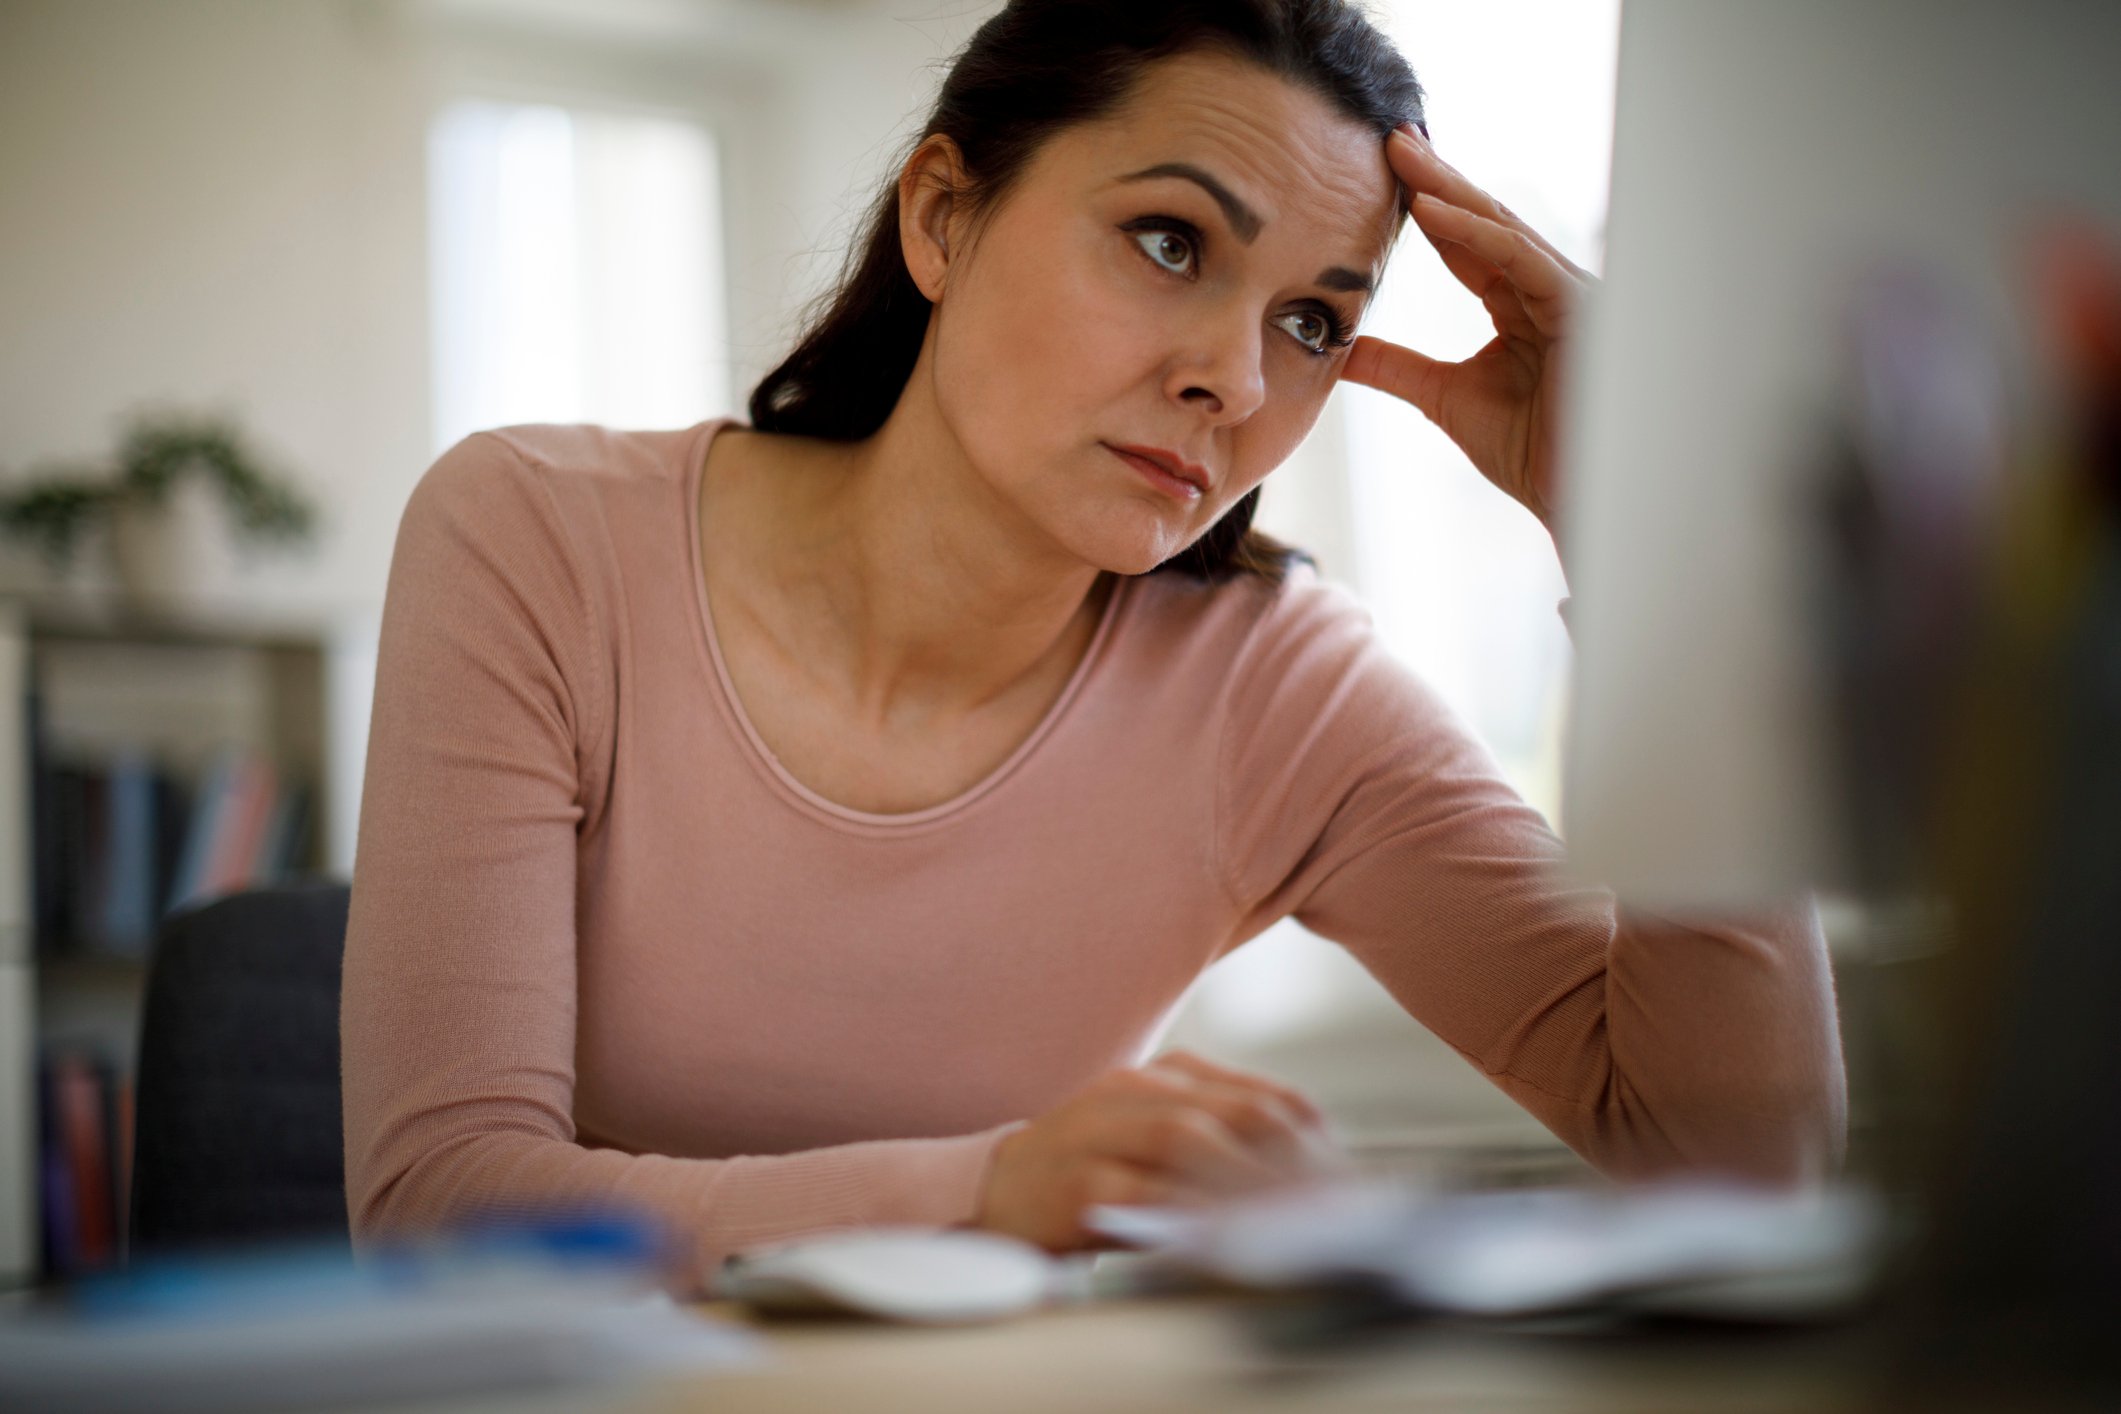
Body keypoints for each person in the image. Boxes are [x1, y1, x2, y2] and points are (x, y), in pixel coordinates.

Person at [340, 0, 1846, 1282]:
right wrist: (984, 1190)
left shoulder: (1276, 692)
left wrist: (1649, 545)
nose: (1233, 380)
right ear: (943, 217)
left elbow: (1733, 1166)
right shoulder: (538, 538)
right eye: (1169, 241)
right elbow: (432, 1203)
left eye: (1312, 322)